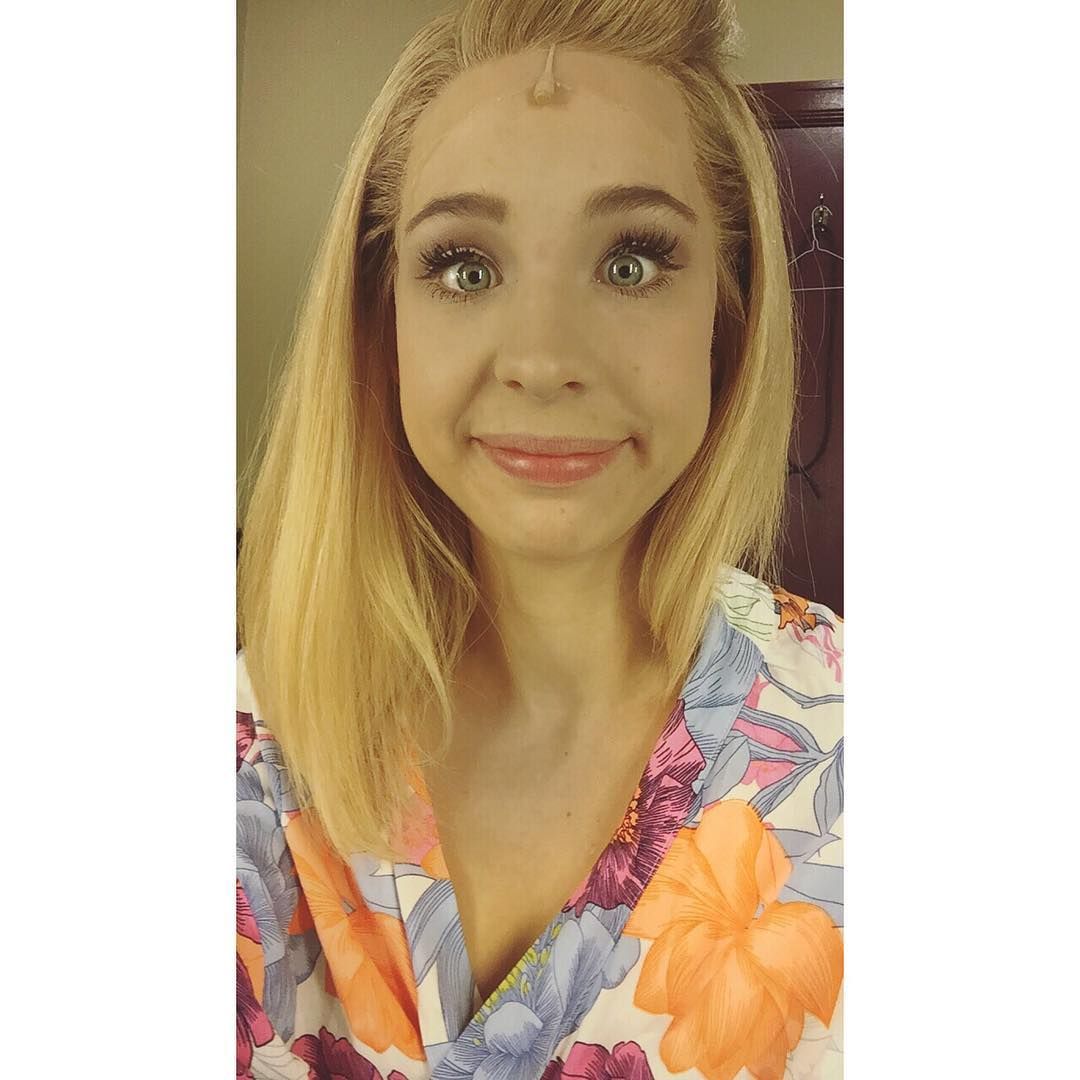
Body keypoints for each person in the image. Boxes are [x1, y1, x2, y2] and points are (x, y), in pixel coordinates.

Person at [236, 2, 844, 1078]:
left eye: (631, 262)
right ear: (383, 320)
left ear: (729, 312)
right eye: (466, 267)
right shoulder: (254, 742)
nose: (544, 360)